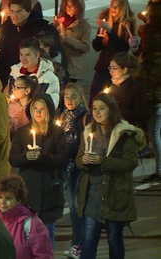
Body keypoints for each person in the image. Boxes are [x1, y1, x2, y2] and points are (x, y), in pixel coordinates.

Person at [76, 93, 144, 259]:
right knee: (89, 239)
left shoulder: (124, 133)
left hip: (115, 194)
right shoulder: (88, 131)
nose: (97, 113)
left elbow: (130, 162)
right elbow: (78, 160)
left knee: (114, 239)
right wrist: (84, 160)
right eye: (94, 109)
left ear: (111, 110)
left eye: (102, 108)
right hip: (93, 196)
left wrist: (102, 161)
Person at [9, 93, 69, 248]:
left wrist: (43, 156)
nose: (38, 112)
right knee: (25, 239)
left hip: (49, 191)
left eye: (42, 109)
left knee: (46, 238)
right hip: (29, 190)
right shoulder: (23, 132)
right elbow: (13, 158)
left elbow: (62, 159)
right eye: (35, 108)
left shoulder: (56, 132)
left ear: (49, 111)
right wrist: (26, 156)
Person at [0, 0, 66, 87]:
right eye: (12, 11)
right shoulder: (5, 29)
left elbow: (56, 55)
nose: (15, 15)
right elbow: (1, 55)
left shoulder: (42, 29)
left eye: (19, 11)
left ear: (28, 12)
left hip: (36, 80)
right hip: (11, 79)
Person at [58, 83, 91, 258]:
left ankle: (79, 243)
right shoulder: (63, 116)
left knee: (78, 206)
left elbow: (85, 143)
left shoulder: (86, 118)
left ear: (81, 98)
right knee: (72, 207)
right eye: (66, 97)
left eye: (73, 97)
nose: (70, 100)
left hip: (78, 167)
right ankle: (80, 241)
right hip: (65, 167)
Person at [0, 174, 54, 259]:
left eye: (8, 198)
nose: (2, 202)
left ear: (19, 200)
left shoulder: (33, 225)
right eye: (0, 197)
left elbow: (44, 256)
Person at [89, 0, 135, 106]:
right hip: (102, 67)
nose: (113, 9)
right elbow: (96, 47)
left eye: (117, 7)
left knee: (112, 102)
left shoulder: (126, 24)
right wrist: (99, 38)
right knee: (94, 98)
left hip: (117, 69)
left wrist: (110, 31)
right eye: (112, 6)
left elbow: (123, 48)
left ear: (123, 8)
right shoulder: (106, 20)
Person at [137, 0, 161, 182]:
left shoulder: (150, 36)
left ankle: (159, 170)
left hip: (155, 92)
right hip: (155, 90)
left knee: (154, 132)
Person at [7, 37, 60, 109]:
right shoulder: (15, 73)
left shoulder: (49, 78)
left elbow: (52, 105)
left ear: (37, 55)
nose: (23, 59)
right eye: (21, 54)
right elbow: (10, 96)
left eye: (28, 55)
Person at [107, 52, 148, 129]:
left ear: (125, 69)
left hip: (130, 128)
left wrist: (118, 112)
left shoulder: (136, 88)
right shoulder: (113, 85)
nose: (110, 71)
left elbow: (141, 114)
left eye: (114, 68)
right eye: (110, 68)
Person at [56, 0, 91, 83]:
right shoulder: (60, 21)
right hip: (58, 65)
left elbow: (85, 47)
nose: (68, 8)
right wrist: (53, 26)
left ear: (78, 7)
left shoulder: (84, 25)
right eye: (67, 5)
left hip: (72, 67)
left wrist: (67, 39)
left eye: (71, 6)